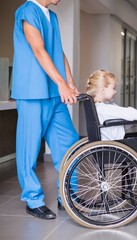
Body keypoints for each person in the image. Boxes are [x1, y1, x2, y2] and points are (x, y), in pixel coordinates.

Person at [12, 0, 79, 220]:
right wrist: (61, 83)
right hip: (33, 91)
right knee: (29, 148)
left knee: (69, 144)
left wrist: (69, 82)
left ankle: (68, 195)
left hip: (54, 92)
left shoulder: (53, 16)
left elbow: (57, 52)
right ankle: (33, 200)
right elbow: (38, 50)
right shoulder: (27, 11)